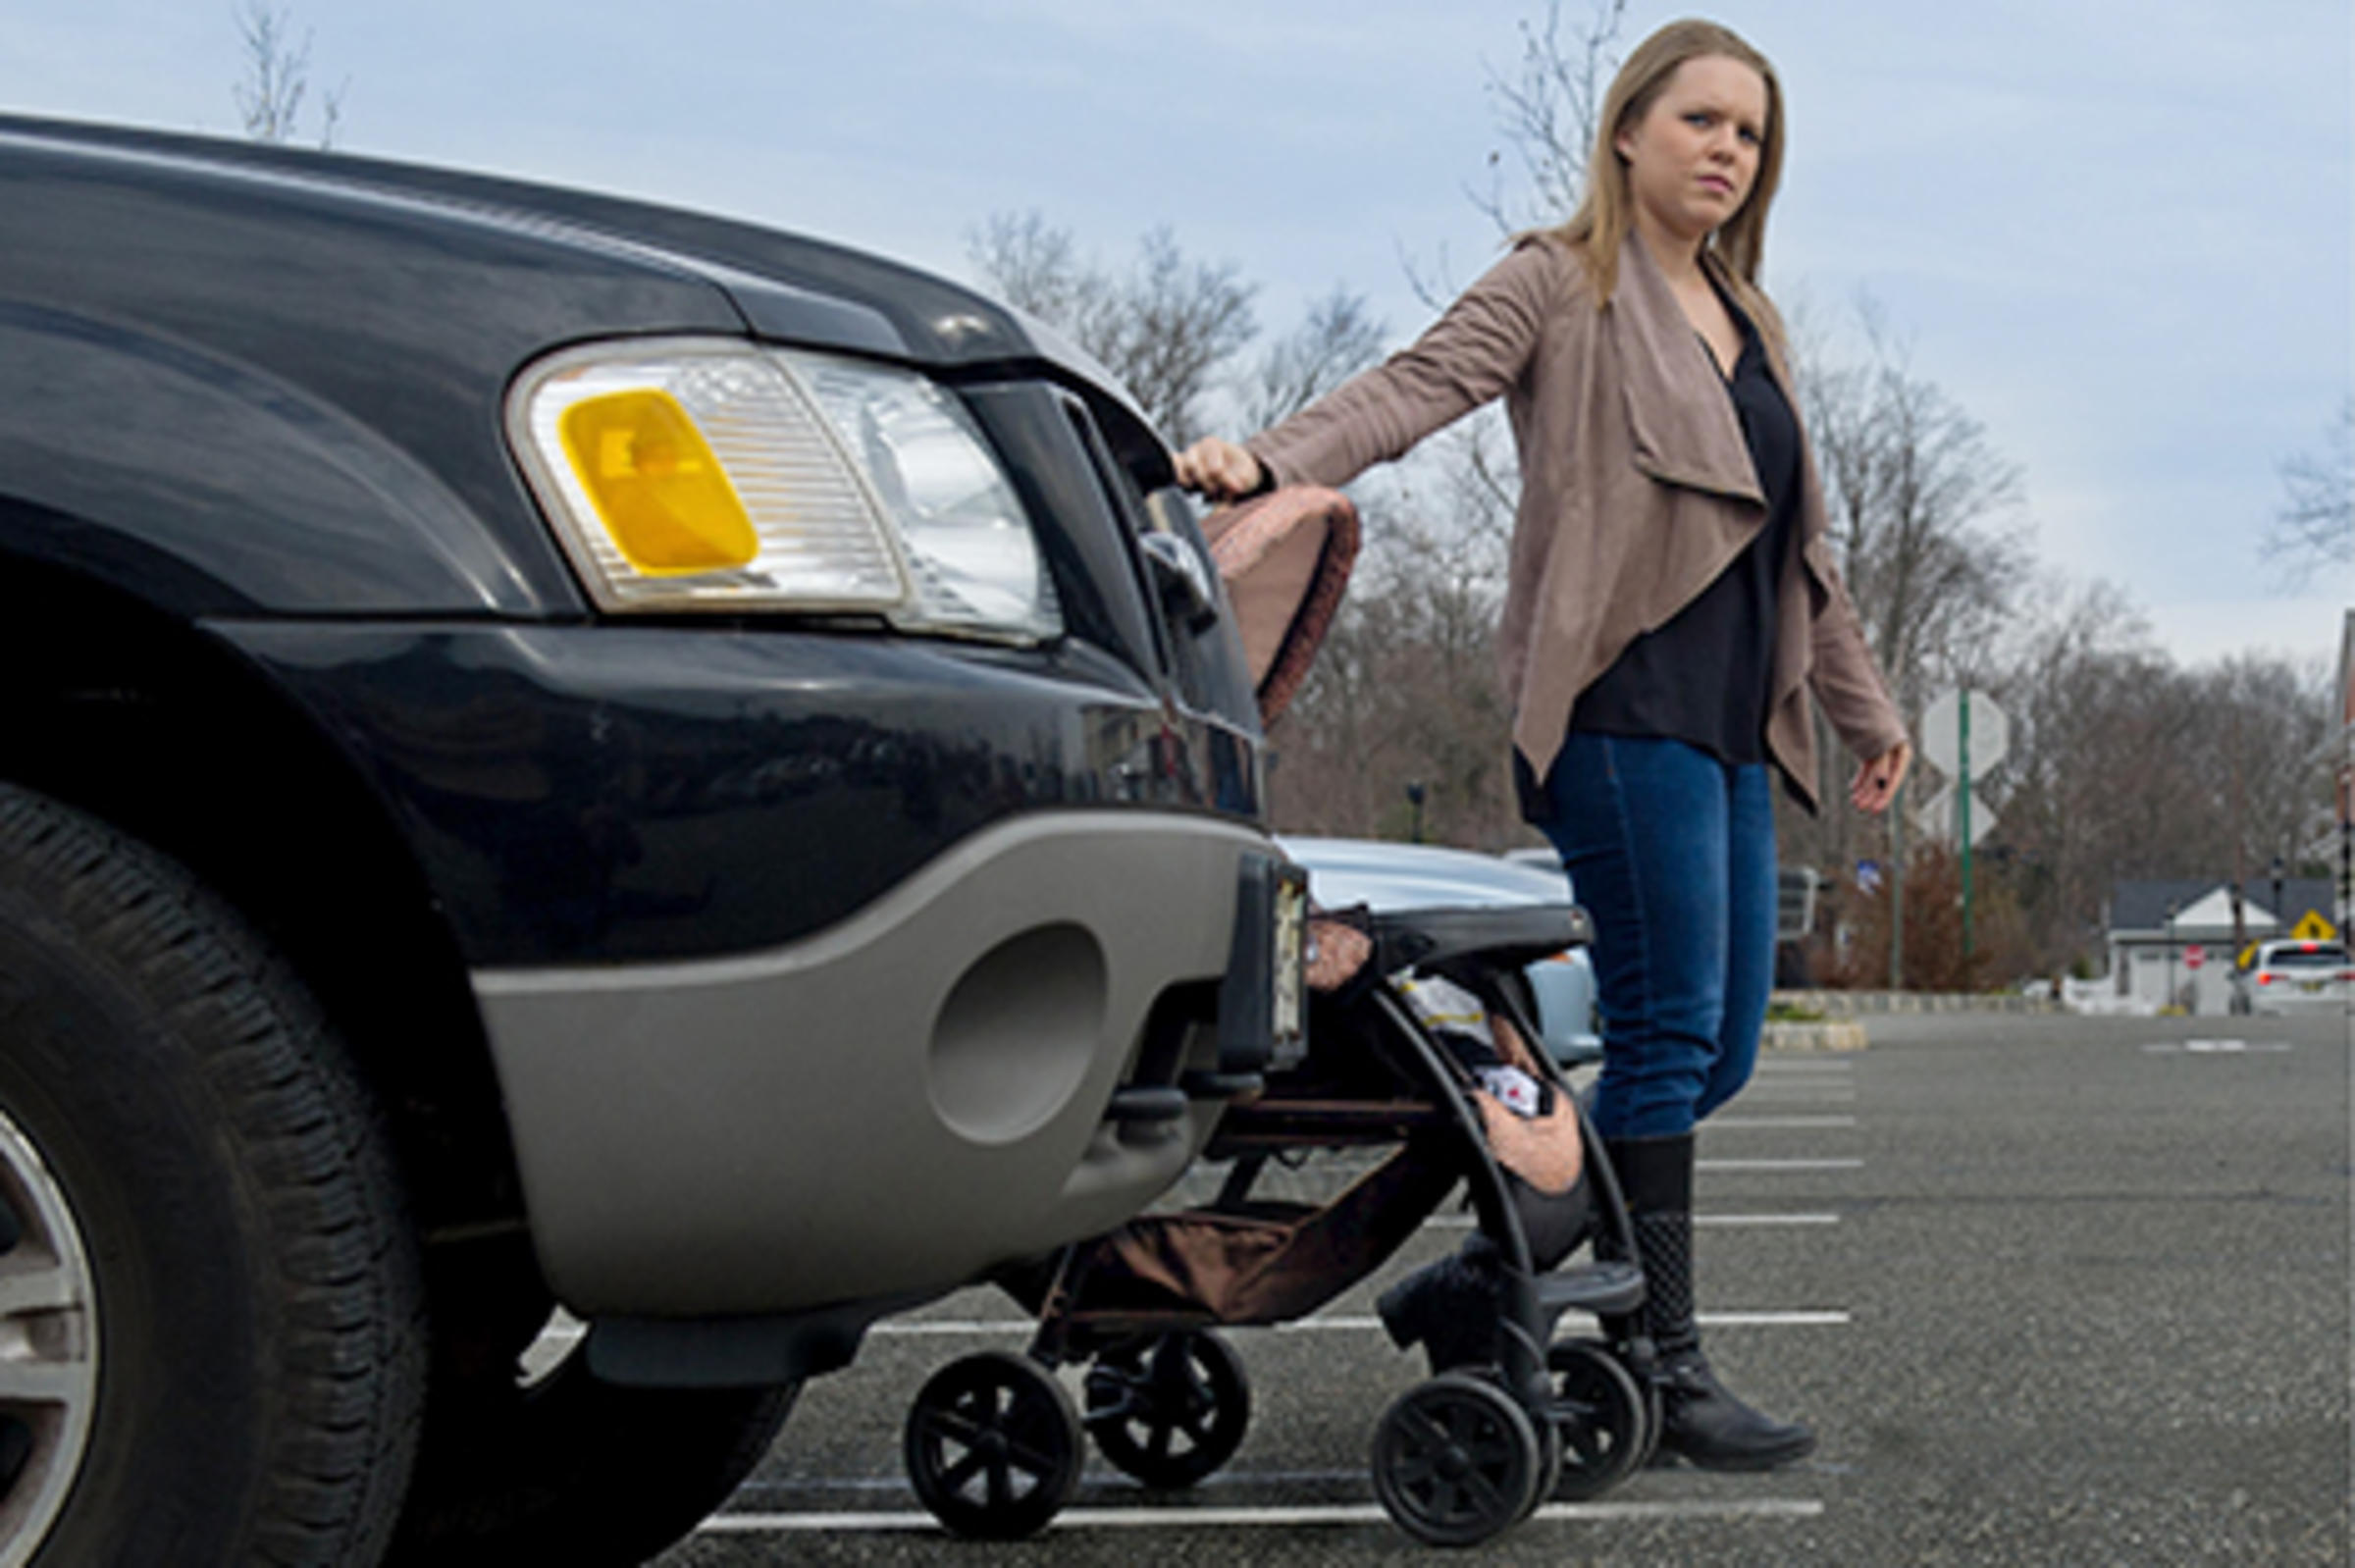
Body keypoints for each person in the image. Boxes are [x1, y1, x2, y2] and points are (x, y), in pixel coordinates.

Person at [1174, 19, 1911, 1471]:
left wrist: (1864, 708)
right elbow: (1413, 385)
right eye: (1701, 121)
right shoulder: (1557, 287)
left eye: (1750, 136)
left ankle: (1484, 1268)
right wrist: (1271, 457)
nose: (1726, 152)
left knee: (1720, 1056)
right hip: (1620, 710)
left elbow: (1801, 553)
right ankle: (1665, 1357)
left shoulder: (1751, 323)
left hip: (1732, 726)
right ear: (1628, 132)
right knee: (1664, 1037)